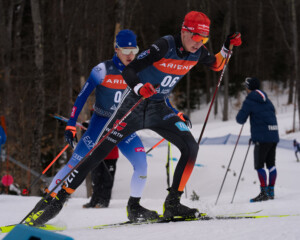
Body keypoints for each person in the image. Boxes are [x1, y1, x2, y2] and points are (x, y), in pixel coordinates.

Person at [27, 11, 242, 226]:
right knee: (95, 154)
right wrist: (139, 88)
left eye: (203, 39)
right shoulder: (164, 45)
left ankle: (173, 203)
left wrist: (226, 46)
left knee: (190, 147)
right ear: (184, 31)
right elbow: (130, 70)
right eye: (196, 37)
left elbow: (217, 64)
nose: (199, 43)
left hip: (159, 109)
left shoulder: (198, 53)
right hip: (134, 106)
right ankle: (55, 202)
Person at [25, 29, 160, 225]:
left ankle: (134, 207)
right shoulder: (101, 70)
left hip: (123, 126)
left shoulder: (140, 70)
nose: (131, 55)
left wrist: (173, 114)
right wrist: (71, 124)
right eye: (126, 50)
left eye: (134, 49)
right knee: (75, 163)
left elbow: (159, 94)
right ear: (116, 49)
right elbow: (81, 98)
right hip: (100, 123)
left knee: (141, 164)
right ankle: (44, 206)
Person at [236, 77, 279, 202]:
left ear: (248, 88)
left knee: (259, 165)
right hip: (273, 135)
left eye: (246, 86)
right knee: (271, 164)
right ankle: (271, 192)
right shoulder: (267, 100)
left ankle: (264, 193)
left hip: (262, 137)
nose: (245, 89)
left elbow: (240, 119)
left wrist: (243, 111)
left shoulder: (250, 100)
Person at [81, 119, 119, 208]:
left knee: (107, 179)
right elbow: (87, 137)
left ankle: (104, 201)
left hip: (110, 155)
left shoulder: (114, 121)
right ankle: (94, 200)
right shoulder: (95, 121)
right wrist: (85, 129)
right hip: (97, 155)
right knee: (96, 179)